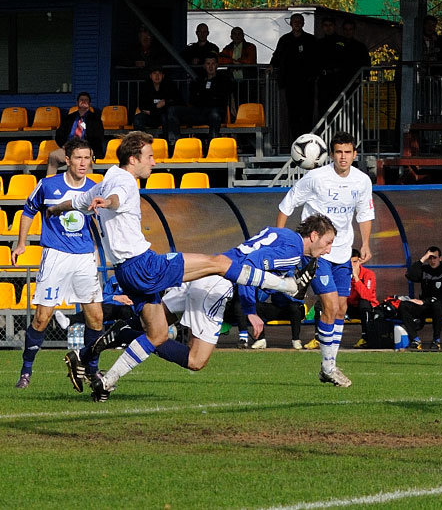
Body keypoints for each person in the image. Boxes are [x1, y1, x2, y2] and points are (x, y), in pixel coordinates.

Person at [48, 131, 314, 401]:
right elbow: (116, 197)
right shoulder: (123, 182)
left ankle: (104, 379)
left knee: (158, 334)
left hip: (126, 272)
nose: (154, 162)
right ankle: (288, 285)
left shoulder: (104, 181)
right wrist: (108, 202)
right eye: (149, 157)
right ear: (132, 159)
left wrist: (56, 209)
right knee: (219, 263)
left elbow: (78, 202)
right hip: (144, 266)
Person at [77, 216, 336, 381]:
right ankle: (116, 357)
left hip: (204, 270)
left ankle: (89, 353)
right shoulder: (292, 253)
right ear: (313, 235)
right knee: (195, 360)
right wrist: (251, 309)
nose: (328, 249)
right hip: (217, 284)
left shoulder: (280, 233)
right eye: (327, 242)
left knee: (153, 323)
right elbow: (251, 266)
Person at [277, 131, 374, 387]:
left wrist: (365, 243)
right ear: (331, 154)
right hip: (317, 252)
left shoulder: (362, 181)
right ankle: (329, 367)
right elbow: (286, 207)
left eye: (348, 152)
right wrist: (283, 241)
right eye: (339, 152)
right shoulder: (315, 178)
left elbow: (364, 213)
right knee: (330, 305)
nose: (343, 157)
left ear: (354, 154)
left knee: (341, 308)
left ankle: (328, 364)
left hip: (343, 252)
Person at [13, 138, 105, 389]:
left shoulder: (96, 188)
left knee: (96, 318)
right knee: (42, 318)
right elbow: (28, 211)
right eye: (78, 158)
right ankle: (26, 371)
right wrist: (21, 244)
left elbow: (102, 221)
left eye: (87, 158)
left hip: (85, 258)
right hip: (55, 256)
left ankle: (92, 370)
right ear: (67, 160)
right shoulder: (47, 185)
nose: (83, 163)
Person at [166, 53, 231, 148]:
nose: (210, 66)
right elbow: (193, 100)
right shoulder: (198, 81)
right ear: (204, 66)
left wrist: (205, 96)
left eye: (213, 64)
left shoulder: (224, 80)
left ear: (217, 65)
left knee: (215, 114)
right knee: (173, 110)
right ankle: (175, 145)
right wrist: (208, 97)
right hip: (199, 112)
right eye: (208, 64)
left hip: (214, 113)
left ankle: (213, 147)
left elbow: (221, 99)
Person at [270, 13, 317, 141]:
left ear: (303, 23)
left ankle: (307, 139)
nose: (297, 23)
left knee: (307, 113)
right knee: (293, 114)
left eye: (299, 21)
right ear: (290, 23)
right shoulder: (284, 40)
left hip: (307, 84)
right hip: (290, 83)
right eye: (294, 21)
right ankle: (296, 140)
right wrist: (272, 66)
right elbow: (277, 56)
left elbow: (317, 60)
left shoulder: (310, 40)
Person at [399, 246, 442, 351]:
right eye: (430, 258)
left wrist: (425, 301)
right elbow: (409, 275)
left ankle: (436, 340)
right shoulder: (424, 270)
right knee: (404, 305)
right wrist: (422, 260)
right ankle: (415, 339)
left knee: (437, 305)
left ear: (440, 258)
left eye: (435, 258)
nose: (432, 260)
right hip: (425, 306)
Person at [48, 92, 104, 176]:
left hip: (86, 148)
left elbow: (98, 137)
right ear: (77, 103)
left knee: (85, 157)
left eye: (86, 100)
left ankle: (87, 185)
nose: (84, 102)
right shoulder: (69, 118)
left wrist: (87, 147)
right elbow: (59, 134)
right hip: (69, 148)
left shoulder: (95, 119)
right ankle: (49, 183)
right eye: (81, 100)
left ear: (89, 103)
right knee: (53, 155)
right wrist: (64, 145)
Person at [132, 65, 181, 137]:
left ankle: (167, 144)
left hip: (164, 116)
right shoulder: (145, 87)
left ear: (163, 76)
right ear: (150, 76)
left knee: (166, 117)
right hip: (151, 117)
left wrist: (162, 105)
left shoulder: (170, 86)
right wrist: (157, 107)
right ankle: (142, 144)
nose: (157, 76)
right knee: (137, 118)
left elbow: (176, 102)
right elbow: (143, 106)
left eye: (160, 73)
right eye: (154, 73)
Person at [347, 248, 380, 348]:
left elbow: (367, 296)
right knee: (323, 304)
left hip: (368, 308)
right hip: (350, 306)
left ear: (359, 262)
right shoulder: (343, 274)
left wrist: (356, 277)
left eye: (355, 262)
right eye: (349, 262)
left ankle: (366, 338)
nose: (352, 265)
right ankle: (321, 338)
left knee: (364, 303)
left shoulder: (368, 274)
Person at [316, 16, 345, 115]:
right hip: (323, 81)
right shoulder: (319, 43)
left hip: (339, 80)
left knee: (338, 109)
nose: (328, 28)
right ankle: (326, 130)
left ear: (335, 26)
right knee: (323, 109)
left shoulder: (342, 41)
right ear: (322, 27)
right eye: (326, 26)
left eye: (330, 25)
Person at [339, 19, 371, 91]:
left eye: (350, 29)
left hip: (355, 82)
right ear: (343, 30)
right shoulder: (338, 45)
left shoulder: (360, 47)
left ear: (354, 30)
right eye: (346, 29)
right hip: (340, 82)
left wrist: (363, 77)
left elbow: (367, 63)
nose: (348, 32)